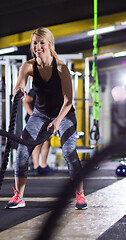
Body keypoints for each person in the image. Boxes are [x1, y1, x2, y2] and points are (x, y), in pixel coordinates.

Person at [5, 27, 87, 210]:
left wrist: (57, 122)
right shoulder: (28, 66)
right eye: (35, 43)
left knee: (69, 152)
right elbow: (19, 86)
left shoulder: (61, 68)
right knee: (21, 154)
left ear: (49, 44)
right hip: (40, 114)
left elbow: (68, 102)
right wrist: (18, 91)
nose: (38, 46)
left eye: (42, 42)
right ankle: (19, 196)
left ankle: (80, 195)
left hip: (64, 114)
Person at [23, 88, 54, 175]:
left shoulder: (50, 92)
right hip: (35, 120)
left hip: (46, 119)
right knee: (37, 142)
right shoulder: (35, 91)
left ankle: (44, 165)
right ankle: (36, 167)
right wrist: (33, 115)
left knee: (47, 141)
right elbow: (25, 102)